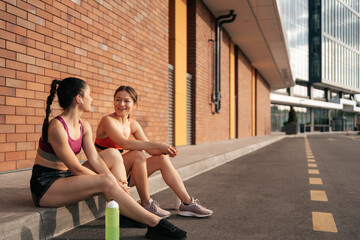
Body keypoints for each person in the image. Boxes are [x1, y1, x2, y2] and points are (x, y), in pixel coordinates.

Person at [29, 77, 187, 240]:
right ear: (79, 98)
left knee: (112, 154)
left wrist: (117, 182)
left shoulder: (84, 125)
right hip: (47, 185)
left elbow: (96, 159)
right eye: (89, 95)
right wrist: (112, 181)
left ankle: (124, 212)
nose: (92, 99)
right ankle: (155, 223)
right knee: (106, 181)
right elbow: (76, 168)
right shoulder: (56, 127)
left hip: (66, 177)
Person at [95, 86, 213, 218]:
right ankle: (146, 203)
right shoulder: (107, 121)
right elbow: (124, 143)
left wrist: (166, 150)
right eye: (117, 100)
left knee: (162, 159)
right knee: (138, 154)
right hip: (105, 171)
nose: (121, 104)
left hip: (123, 174)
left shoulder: (132, 124)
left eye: (126, 101)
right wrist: (158, 144)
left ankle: (187, 203)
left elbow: (150, 150)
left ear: (135, 104)